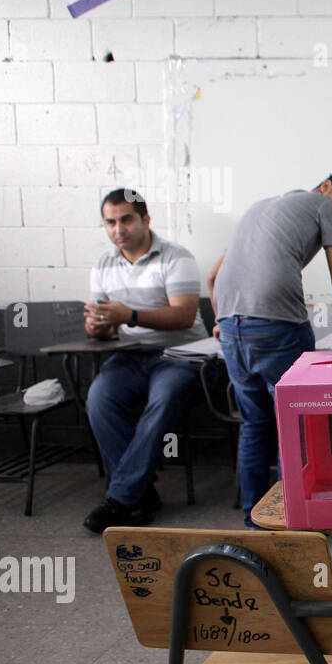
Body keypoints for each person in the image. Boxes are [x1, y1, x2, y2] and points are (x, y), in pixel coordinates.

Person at [209, 174, 332, 528]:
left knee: (253, 425)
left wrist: (223, 320)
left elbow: (212, 277)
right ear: (326, 185)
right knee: (294, 424)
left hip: (232, 328)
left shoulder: (259, 207)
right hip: (277, 326)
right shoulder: (323, 206)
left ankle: (255, 522)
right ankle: (295, 522)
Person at [82, 189, 207, 534]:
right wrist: (98, 327)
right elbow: (104, 325)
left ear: (145, 220)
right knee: (98, 399)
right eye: (110, 222)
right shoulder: (103, 265)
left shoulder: (175, 257)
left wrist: (130, 315)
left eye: (125, 219)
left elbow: (184, 316)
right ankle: (141, 495)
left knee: (163, 399)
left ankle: (122, 498)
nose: (118, 229)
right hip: (130, 355)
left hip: (180, 355)